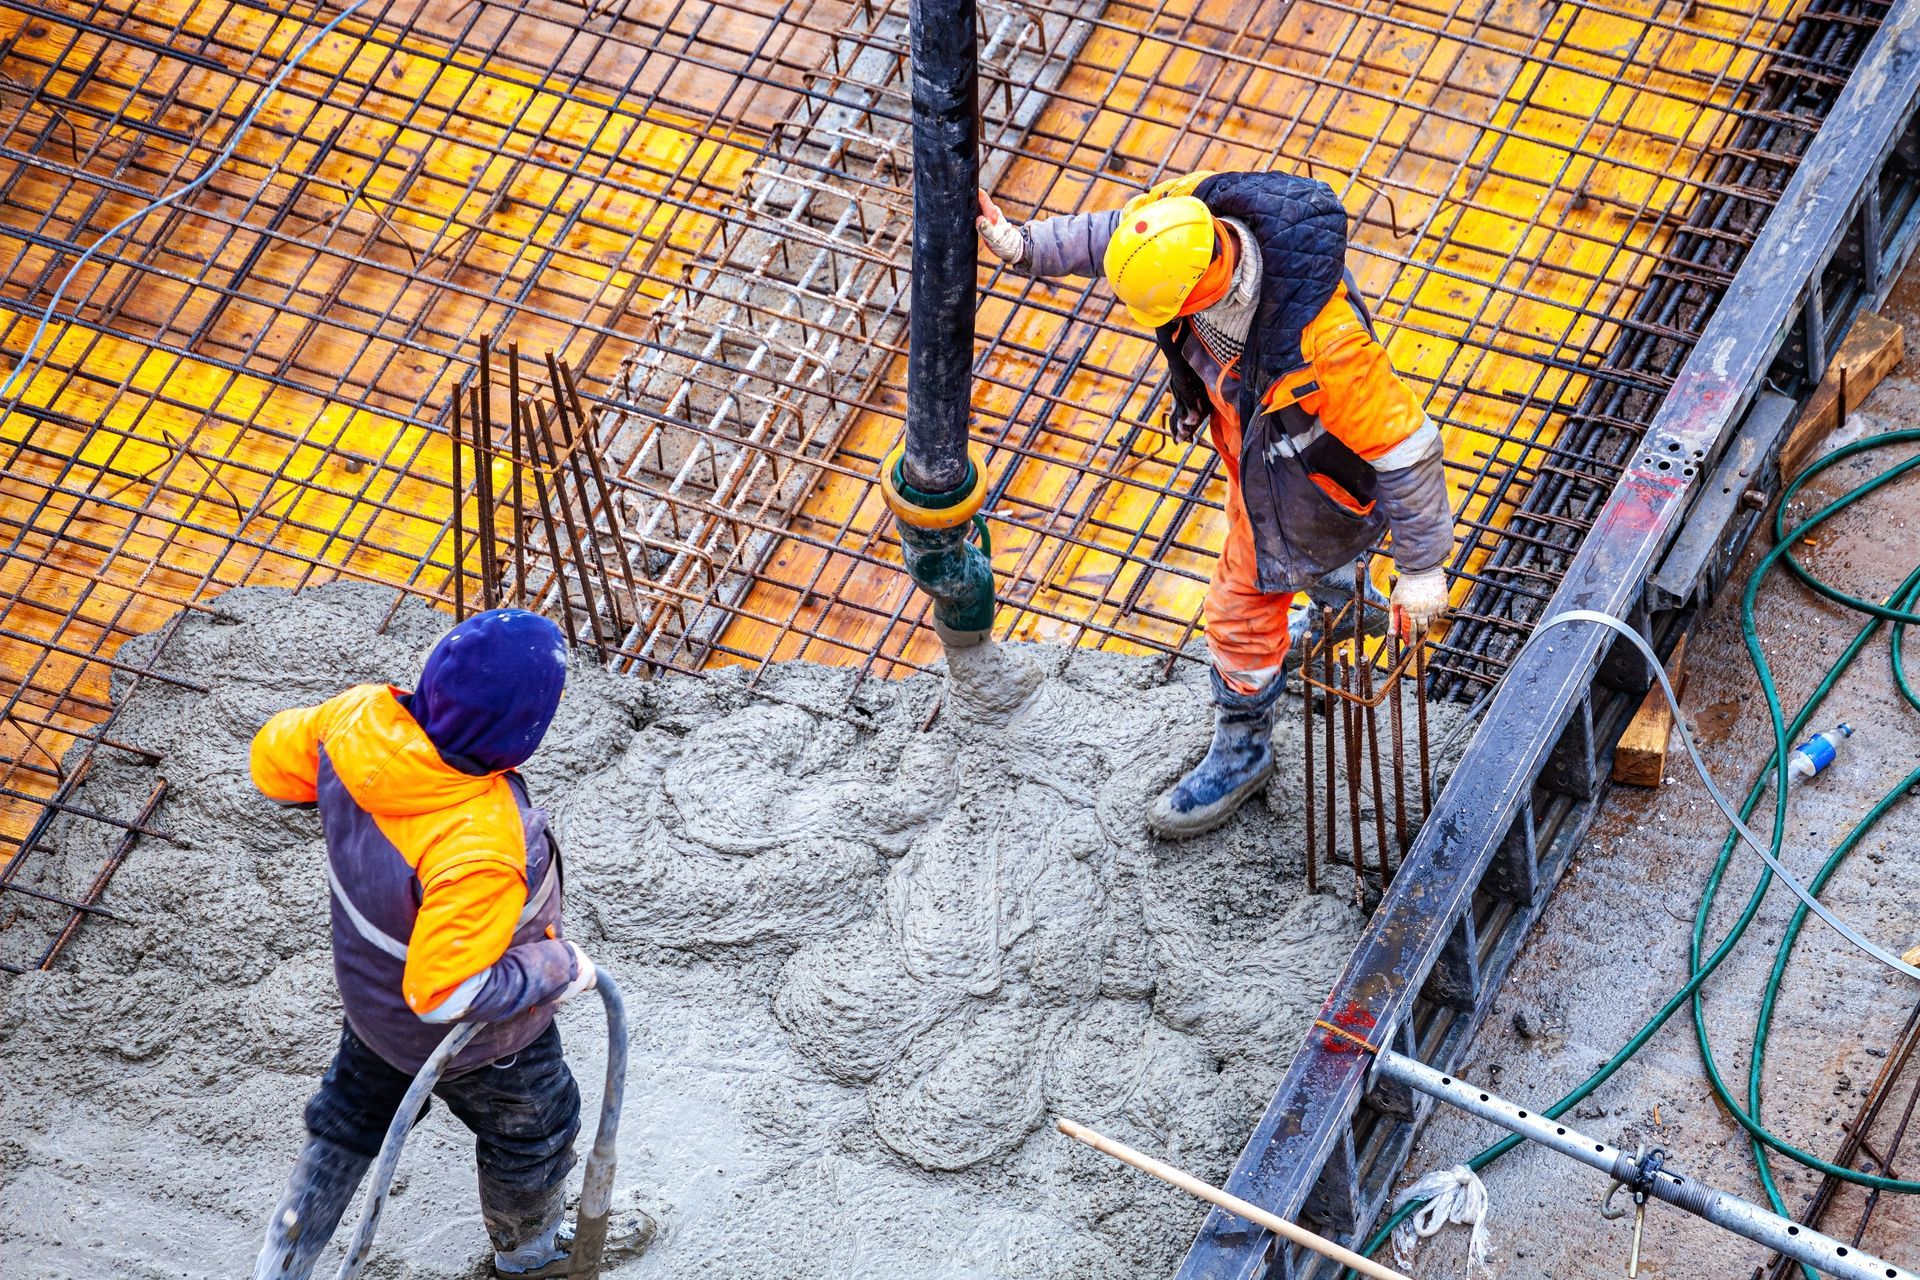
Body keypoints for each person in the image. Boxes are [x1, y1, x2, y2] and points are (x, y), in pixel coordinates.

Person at [977, 170, 1455, 838]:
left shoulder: (1328, 344)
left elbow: (1406, 448)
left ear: (1201, 290)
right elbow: (1114, 236)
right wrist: (1024, 245)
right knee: (1309, 561)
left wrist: (1424, 567)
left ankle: (1244, 751)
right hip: (1265, 448)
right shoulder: (1188, 225)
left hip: (1309, 487)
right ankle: (1347, 606)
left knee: (1238, 609)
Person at [249, 609, 598, 1280]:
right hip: (489, 1048)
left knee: (348, 1119)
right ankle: (528, 1256)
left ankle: (284, 1261)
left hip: (372, 1011)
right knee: (537, 1131)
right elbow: (448, 993)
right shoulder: (480, 846)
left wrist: (346, 793)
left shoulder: (353, 722)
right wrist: (558, 965)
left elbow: (272, 764)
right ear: (521, 735)